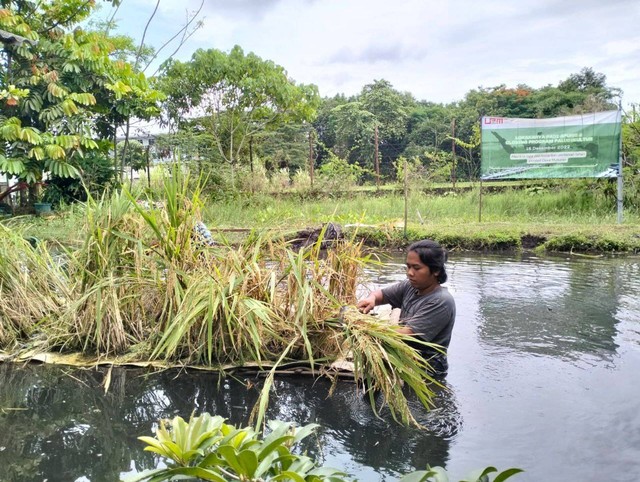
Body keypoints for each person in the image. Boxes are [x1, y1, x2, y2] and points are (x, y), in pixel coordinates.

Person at [357, 239, 456, 378]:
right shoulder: (410, 286)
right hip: (404, 360)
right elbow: (381, 295)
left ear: (436, 271)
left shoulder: (441, 301)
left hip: (426, 373)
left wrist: (364, 327)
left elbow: (406, 335)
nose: (409, 273)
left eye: (416, 268)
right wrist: (371, 299)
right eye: (408, 267)